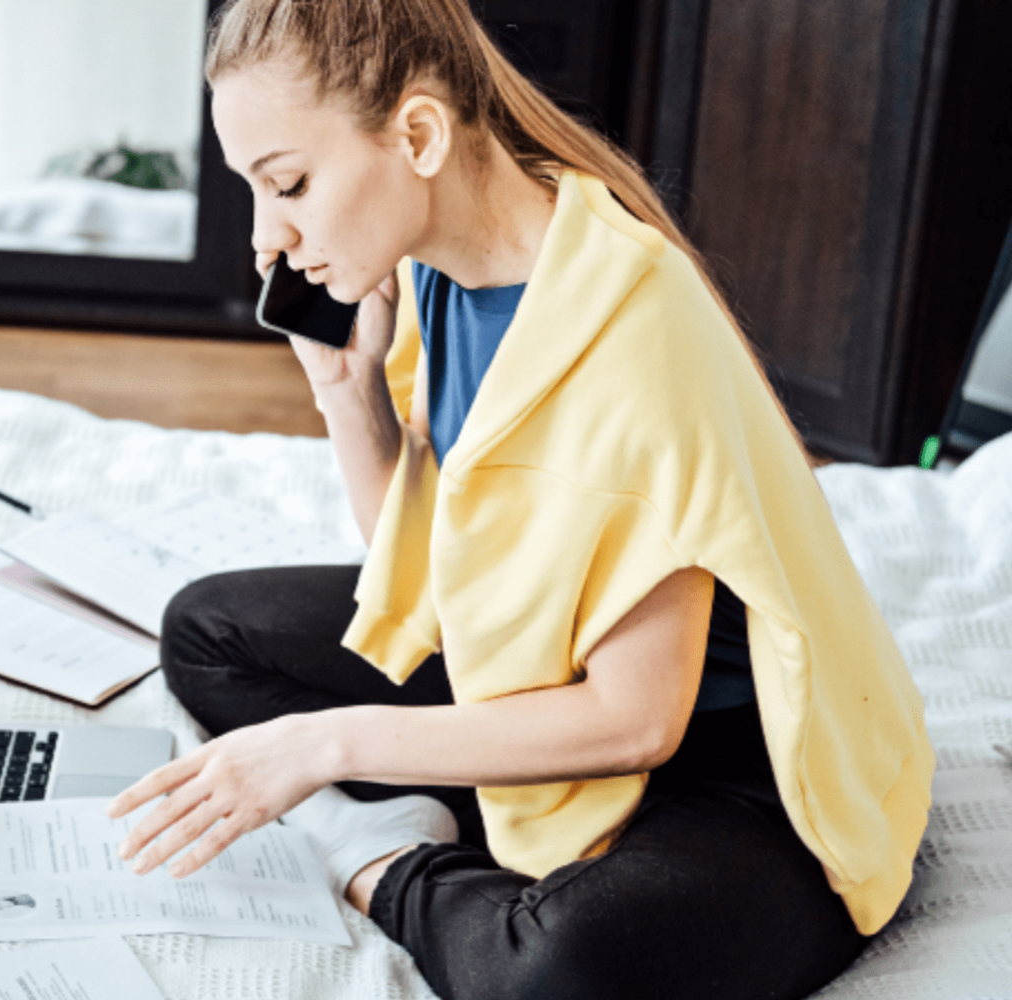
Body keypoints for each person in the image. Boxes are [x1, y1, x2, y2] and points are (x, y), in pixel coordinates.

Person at [108, 1, 936, 997]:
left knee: (555, 967)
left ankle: (379, 863)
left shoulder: (627, 328)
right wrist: (346, 392)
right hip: (535, 670)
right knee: (205, 633)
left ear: (415, 135)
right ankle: (449, 825)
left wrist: (322, 743)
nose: (266, 236)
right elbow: (424, 581)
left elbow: (638, 722)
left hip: (732, 760)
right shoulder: (436, 268)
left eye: (286, 183)